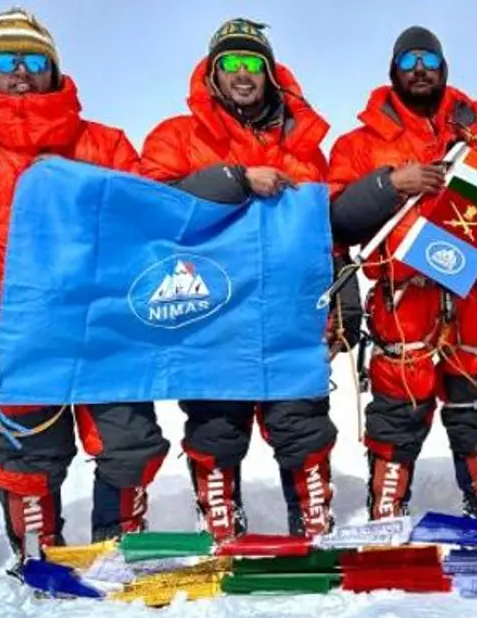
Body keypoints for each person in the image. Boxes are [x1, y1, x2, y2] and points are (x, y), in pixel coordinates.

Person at [0, 7, 170, 563]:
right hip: (16, 338)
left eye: (34, 59)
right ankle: (38, 555)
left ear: (53, 69)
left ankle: (118, 551)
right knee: (32, 453)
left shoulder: (106, 145)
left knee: (129, 441)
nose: (20, 70)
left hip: (107, 333)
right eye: (6, 59)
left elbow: (150, 230)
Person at [138, 18, 356, 540]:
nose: (242, 73)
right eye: (230, 63)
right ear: (212, 75)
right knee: (216, 426)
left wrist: (346, 306)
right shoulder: (176, 137)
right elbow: (152, 205)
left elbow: (326, 236)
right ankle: (221, 524)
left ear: (270, 73)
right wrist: (235, 180)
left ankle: (313, 528)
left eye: (252, 63)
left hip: (290, 313)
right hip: (212, 311)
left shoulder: (306, 148)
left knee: (301, 424)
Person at [327, 26, 477, 521]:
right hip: (403, 301)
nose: (420, 68)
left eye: (430, 60)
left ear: (443, 69)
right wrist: (390, 183)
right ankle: (386, 510)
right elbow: (336, 220)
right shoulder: (359, 144)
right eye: (410, 59)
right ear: (394, 70)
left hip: (475, 298)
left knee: (476, 410)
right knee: (397, 413)